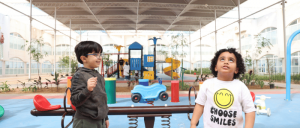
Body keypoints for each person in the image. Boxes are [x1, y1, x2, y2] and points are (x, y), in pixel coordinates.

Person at [190, 48, 255, 128]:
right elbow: (200, 105)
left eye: (231, 60)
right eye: (222, 59)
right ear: (216, 67)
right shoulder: (207, 84)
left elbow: (250, 111)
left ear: (236, 69)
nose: (226, 62)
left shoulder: (241, 87)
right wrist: (193, 124)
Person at [71, 41, 109, 128]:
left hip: (99, 120)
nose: (99, 57)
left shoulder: (98, 75)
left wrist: (105, 117)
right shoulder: (79, 75)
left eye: (100, 54)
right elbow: (74, 101)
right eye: (95, 55)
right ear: (84, 59)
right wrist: (87, 90)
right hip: (85, 122)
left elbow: (102, 99)